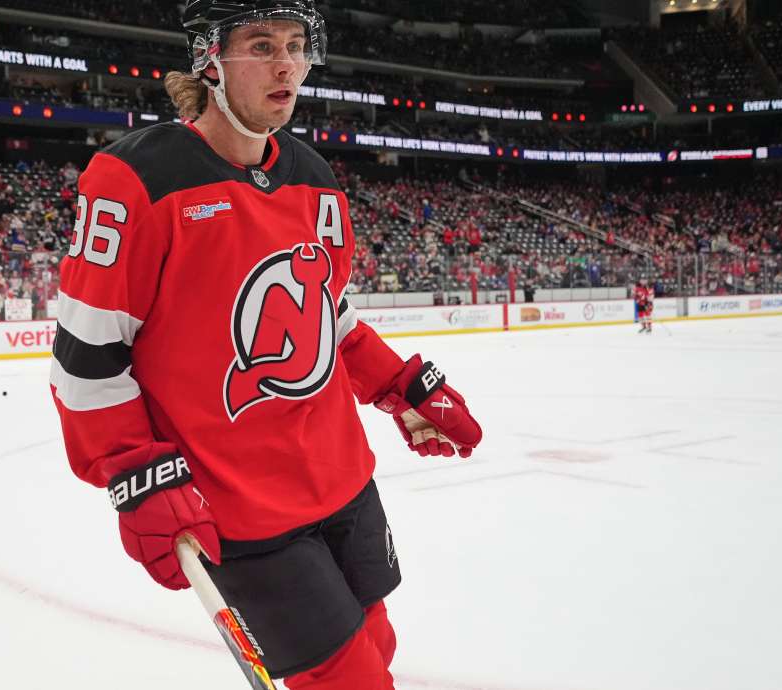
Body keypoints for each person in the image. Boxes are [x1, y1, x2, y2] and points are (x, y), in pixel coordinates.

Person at [48, 3, 483, 689]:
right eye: (261, 45)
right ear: (209, 60)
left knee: (377, 645)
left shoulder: (314, 179)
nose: (286, 64)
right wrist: (136, 472)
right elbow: (86, 359)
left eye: (296, 45)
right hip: (239, 509)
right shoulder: (137, 180)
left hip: (342, 481)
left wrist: (403, 387)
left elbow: (329, 322)